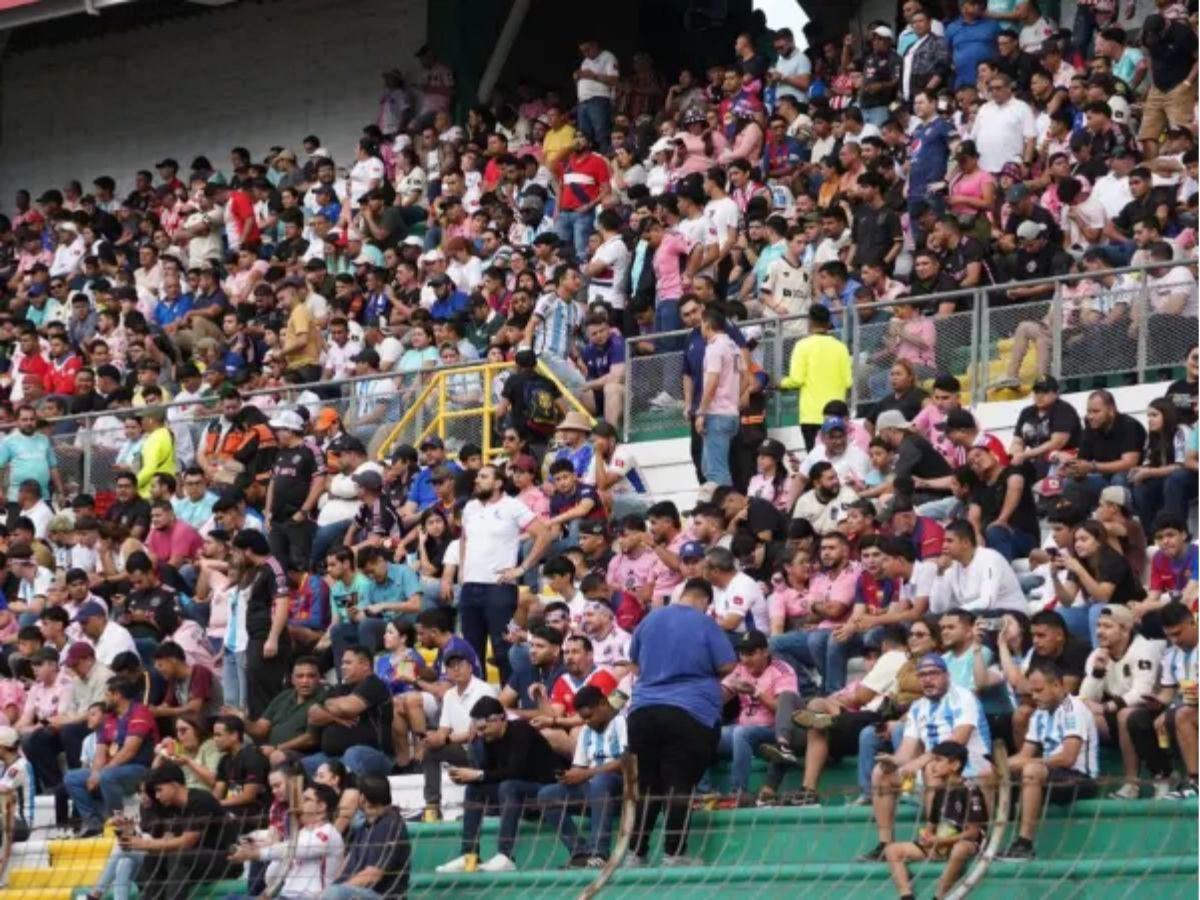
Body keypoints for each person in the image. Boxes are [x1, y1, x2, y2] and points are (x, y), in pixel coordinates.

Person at [625, 577, 736, 866]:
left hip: (642, 711)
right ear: (705, 601)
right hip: (690, 711)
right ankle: (674, 852)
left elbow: (634, 662)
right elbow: (727, 664)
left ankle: (636, 852)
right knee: (679, 782)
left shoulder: (649, 620)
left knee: (647, 785)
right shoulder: (705, 623)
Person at [861, 654, 992, 862]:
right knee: (882, 774)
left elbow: (958, 740)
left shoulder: (964, 697)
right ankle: (885, 844)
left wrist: (922, 761)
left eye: (933, 674)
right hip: (935, 768)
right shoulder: (918, 706)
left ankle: (937, 841)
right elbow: (906, 751)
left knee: (931, 768)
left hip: (968, 769)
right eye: (922, 675)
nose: (927, 679)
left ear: (947, 675)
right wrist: (893, 762)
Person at [435, 695, 562, 874]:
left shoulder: (522, 731)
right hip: (514, 796)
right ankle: (469, 854)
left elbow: (515, 771)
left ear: (499, 720)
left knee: (507, 785)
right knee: (474, 788)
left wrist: (478, 774)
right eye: (478, 729)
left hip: (544, 792)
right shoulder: (488, 740)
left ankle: (506, 855)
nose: (480, 733)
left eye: (484, 728)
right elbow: (490, 776)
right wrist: (469, 777)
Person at [459, 464, 551, 684]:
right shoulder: (470, 507)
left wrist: (522, 568)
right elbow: (464, 539)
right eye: (477, 477)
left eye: (483, 476)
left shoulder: (513, 506)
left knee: (503, 650)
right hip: (470, 586)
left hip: (498, 587)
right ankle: (476, 705)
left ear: (498, 482)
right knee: (471, 651)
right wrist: (462, 571)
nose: (477, 480)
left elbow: (544, 532)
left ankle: (509, 704)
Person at [536, 683, 627, 867]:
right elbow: (579, 767)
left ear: (603, 704)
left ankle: (599, 853)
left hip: (619, 790)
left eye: (589, 716)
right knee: (547, 795)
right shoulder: (586, 731)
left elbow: (627, 763)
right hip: (592, 789)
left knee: (601, 782)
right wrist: (569, 776)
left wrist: (587, 774)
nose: (586, 722)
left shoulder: (622, 722)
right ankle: (579, 852)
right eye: (583, 718)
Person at [1079, 605, 1164, 799]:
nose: (1100, 631)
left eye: (1108, 626)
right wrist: (1098, 670)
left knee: (1125, 714)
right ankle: (1085, 779)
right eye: (1099, 625)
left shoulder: (1143, 649)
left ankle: (1132, 783)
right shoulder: (1097, 655)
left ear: (1125, 629)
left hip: (1151, 712)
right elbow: (1085, 697)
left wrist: (1108, 706)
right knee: (1082, 713)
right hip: (1118, 713)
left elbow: (1144, 692)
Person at [63, 677, 158, 837]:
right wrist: (94, 773)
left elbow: (129, 751)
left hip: (140, 770)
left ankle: (116, 821)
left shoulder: (139, 712)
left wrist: (101, 773)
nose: (104, 699)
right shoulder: (109, 718)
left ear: (117, 695)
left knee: (107, 776)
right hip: (114, 770)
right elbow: (100, 752)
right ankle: (94, 823)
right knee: (72, 777)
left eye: (107, 695)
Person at [134, 762, 238, 900]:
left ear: (174, 785)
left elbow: (187, 842)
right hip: (194, 861)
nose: (157, 796)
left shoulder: (200, 800)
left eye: (159, 790)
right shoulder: (171, 806)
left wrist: (144, 844)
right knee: (152, 859)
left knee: (179, 855)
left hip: (225, 861)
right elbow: (167, 840)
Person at [229, 782, 344, 900]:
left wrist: (252, 854)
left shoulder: (328, 833)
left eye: (306, 799)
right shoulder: (301, 833)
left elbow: (292, 850)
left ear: (321, 807)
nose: (299, 804)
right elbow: (272, 875)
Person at [418, 649, 496, 823]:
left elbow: (477, 730)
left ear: (470, 667)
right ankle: (432, 806)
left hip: (487, 750)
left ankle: (481, 806)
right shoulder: (449, 695)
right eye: (451, 666)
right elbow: (444, 730)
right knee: (430, 750)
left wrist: (445, 739)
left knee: (477, 743)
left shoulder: (484, 690)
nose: (456, 669)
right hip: (463, 750)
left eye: (460, 665)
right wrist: (432, 739)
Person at [305, 646, 394, 778]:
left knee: (353, 755)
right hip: (334, 757)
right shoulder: (340, 688)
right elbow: (313, 714)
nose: (342, 667)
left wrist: (329, 705)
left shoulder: (374, 684)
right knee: (305, 764)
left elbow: (347, 708)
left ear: (365, 665)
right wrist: (336, 718)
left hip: (374, 755)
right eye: (342, 663)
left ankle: (349, 796)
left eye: (348, 663)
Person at [230, 529, 291, 719]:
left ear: (247, 550)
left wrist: (273, 638)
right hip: (255, 636)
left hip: (267, 636)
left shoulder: (274, 567)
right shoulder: (256, 571)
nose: (236, 557)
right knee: (255, 689)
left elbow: (282, 602)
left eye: (237, 552)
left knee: (266, 691)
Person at [324, 773, 411, 899]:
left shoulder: (390, 824)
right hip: (357, 892)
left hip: (383, 896)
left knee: (336, 893)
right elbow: (345, 866)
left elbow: (372, 875)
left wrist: (338, 891)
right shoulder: (364, 826)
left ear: (363, 798)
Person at [780, 305, 852, 450]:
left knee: (816, 464)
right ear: (828, 322)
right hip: (837, 415)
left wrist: (781, 383)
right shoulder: (841, 347)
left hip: (811, 416)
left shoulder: (802, 346)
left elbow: (796, 379)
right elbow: (848, 382)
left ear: (810, 321)